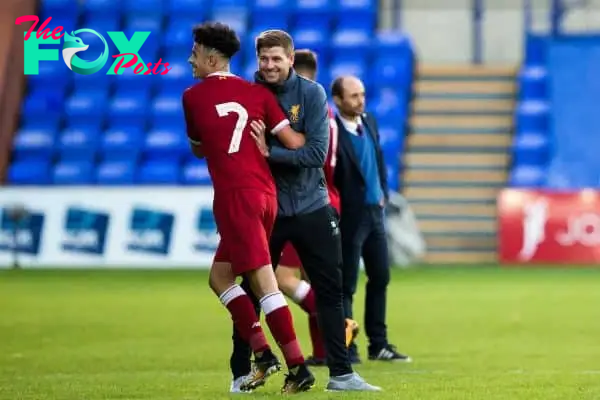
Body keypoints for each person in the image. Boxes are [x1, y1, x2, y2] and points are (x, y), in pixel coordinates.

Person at [230, 30, 381, 393]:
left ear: (290, 58)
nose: (269, 65)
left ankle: (342, 375)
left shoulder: (313, 94)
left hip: (313, 207)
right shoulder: (248, 97)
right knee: (251, 295)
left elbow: (314, 155)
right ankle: (240, 372)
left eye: (276, 59)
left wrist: (270, 153)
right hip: (267, 211)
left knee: (330, 292)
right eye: (263, 58)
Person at [182, 22, 315, 393]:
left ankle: (296, 365)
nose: (190, 59)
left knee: (265, 285)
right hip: (266, 196)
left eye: (194, 53)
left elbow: (198, 147)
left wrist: (219, 140)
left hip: (235, 197)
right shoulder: (257, 95)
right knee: (220, 277)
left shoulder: (192, 97)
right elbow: (295, 141)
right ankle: (262, 350)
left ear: (211, 58)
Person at [274, 49, 359, 367]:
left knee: (284, 279)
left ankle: (340, 325)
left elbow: (308, 158)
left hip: (308, 201)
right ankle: (323, 352)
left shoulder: (306, 110)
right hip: (328, 198)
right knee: (315, 278)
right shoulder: (327, 115)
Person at [332, 75, 412, 363]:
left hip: (374, 212)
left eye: (362, 94)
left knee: (380, 277)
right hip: (351, 217)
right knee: (347, 285)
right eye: (353, 96)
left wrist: (384, 194)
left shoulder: (370, 122)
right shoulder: (332, 133)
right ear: (338, 100)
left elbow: (377, 161)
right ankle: (348, 347)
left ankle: (378, 344)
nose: (360, 100)